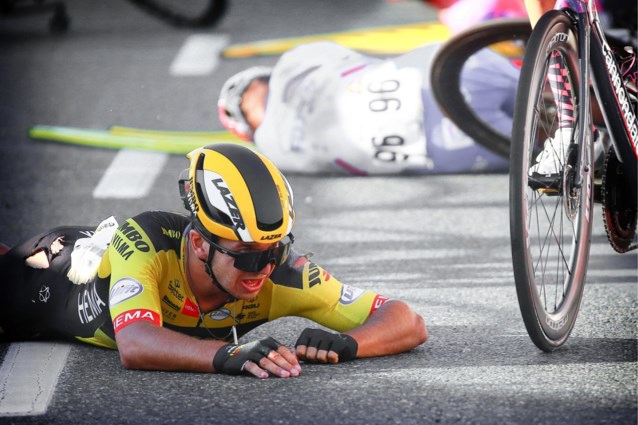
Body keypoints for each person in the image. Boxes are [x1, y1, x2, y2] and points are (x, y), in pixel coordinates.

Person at [0, 144, 428, 379]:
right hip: (39, 274)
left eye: (274, 249)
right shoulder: (147, 239)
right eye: (247, 255)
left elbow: (406, 319)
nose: (263, 268)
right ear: (201, 244)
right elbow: (137, 345)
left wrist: (354, 344)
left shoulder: (282, 272)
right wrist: (228, 354)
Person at [217, 40, 519, 175]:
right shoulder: (292, 62)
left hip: (449, 146)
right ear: (258, 78)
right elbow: (353, 57)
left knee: (550, 147)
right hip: (439, 75)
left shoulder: (276, 155)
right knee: (553, 83)